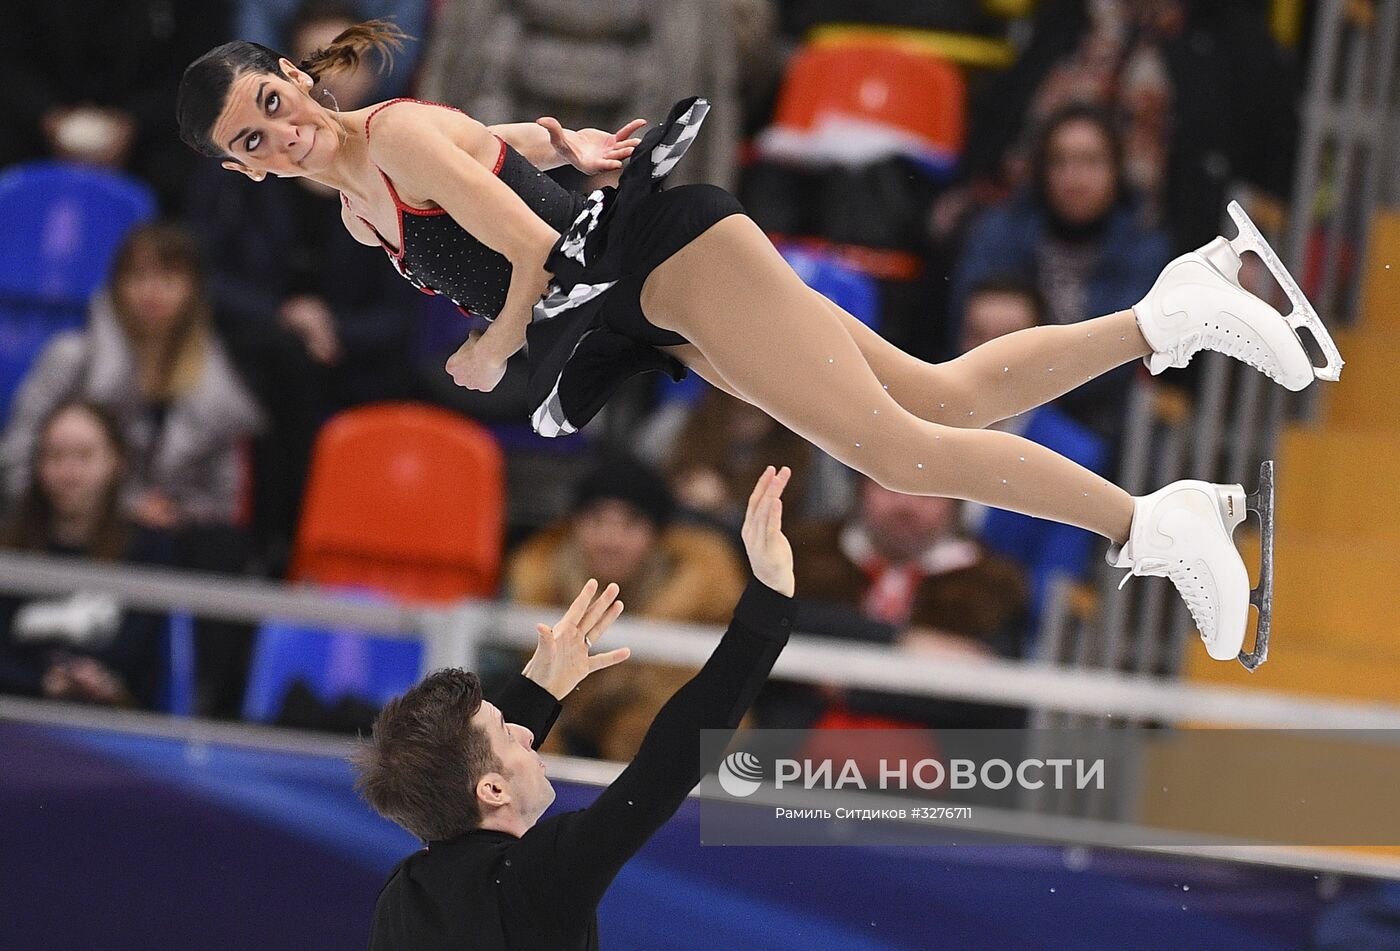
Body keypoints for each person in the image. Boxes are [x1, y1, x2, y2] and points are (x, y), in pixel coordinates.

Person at [176, 21, 1330, 661]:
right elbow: (494, 141)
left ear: (291, 73)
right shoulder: (351, 197)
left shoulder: (394, 136)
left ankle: (1151, 523)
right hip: (645, 302)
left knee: (898, 452)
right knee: (939, 396)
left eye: (270, 103)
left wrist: (497, 347)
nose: (275, 132)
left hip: (665, 260)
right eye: (249, 139)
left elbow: (534, 249)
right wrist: (562, 137)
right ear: (233, 166)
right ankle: (1171, 313)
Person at [353, 466, 796, 949]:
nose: (527, 733)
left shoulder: (404, 893)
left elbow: (462, 764)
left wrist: (543, 686)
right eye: (509, 733)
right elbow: (665, 766)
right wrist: (768, 603)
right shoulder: (534, 880)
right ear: (494, 788)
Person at [506, 453, 746, 760]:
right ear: (575, 524)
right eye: (596, 520)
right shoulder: (542, 583)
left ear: (656, 534)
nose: (610, 540)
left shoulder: (700, 592)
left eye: (630, 524)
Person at [0, 401, 171, 709]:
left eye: (84, 456)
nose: (69, 472)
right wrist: (43, 682)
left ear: (116, 461)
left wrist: (96, 681)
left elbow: (145, 653)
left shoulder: (148, 548)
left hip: (114, 725)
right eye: (55, 456)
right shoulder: (10, 548)